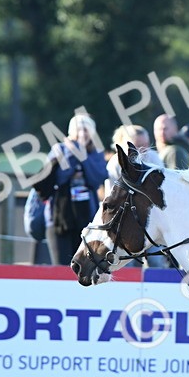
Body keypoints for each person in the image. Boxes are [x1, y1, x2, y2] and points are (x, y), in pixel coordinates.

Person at [34, 114, 109, 266]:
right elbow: (59, 178)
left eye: (87, 130)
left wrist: (82, 156)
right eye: (79, 130)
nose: (83, 134)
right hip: (59, 217)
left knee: (83, 265)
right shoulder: (59, 150)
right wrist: (73, 155)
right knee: (61, 265)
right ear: (71, 131)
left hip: (87, 215)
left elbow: (97, 179)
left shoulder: (96, 153)